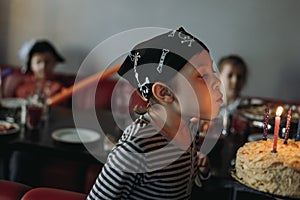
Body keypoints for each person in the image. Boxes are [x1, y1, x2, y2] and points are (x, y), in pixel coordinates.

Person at [87, 27, 223, 200]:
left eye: (213, 72)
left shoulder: (189, 127)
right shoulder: (137, 147)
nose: (217, 82)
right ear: (164, 93)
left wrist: (201, 171)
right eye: (203, 75)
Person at [3, 39, 70, 102]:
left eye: (47, 62)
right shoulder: (17, 81)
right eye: (38, 62)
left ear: (54, 63)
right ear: (31, 64)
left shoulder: (59, 86)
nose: (43, 66)